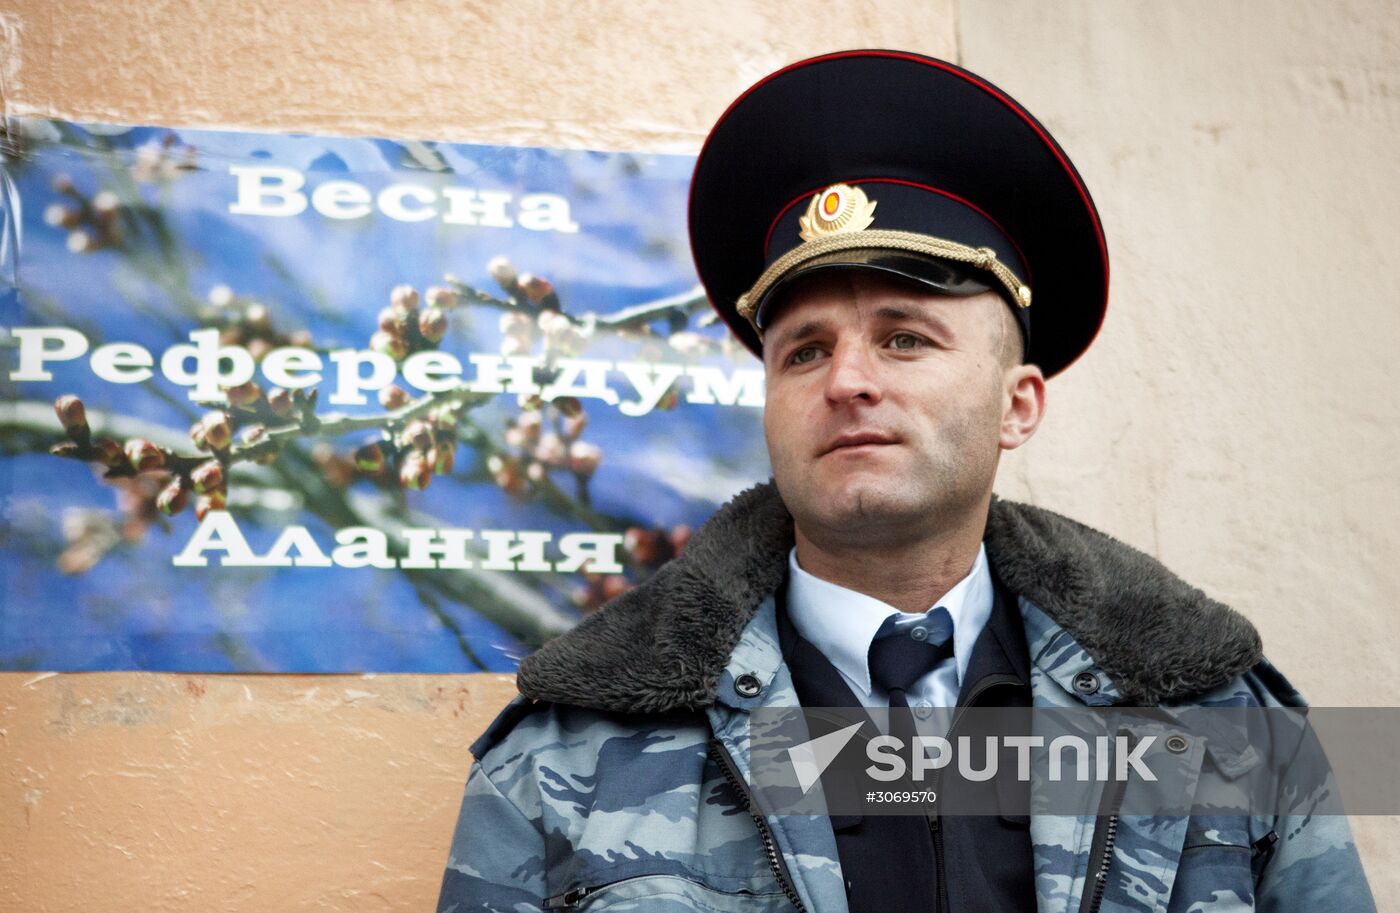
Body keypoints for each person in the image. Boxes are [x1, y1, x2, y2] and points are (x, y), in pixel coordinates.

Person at [435, 51, 1375, 913]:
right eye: (804, 351)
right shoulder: (562, 760)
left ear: (1018, 405)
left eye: (905, 338)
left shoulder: (1224, 726)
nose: (847, 380)